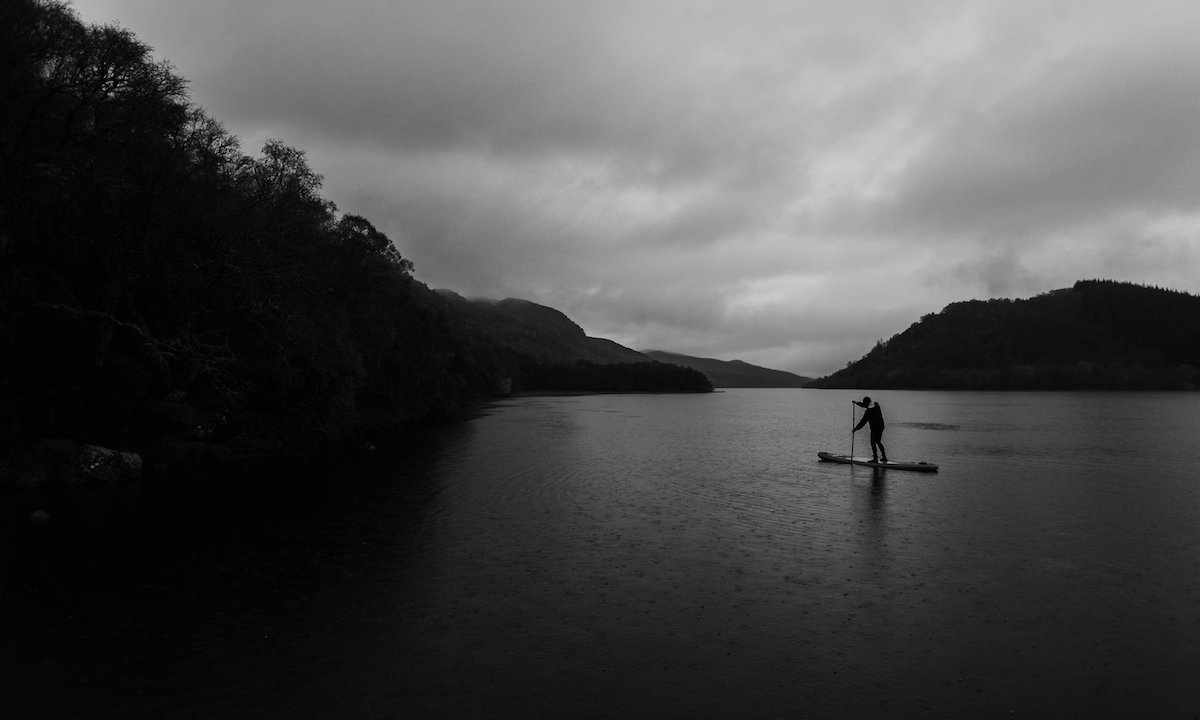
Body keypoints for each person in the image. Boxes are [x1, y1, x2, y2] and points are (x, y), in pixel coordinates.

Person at [853, 396, 888, 463]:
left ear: (867, 403)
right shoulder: (876, 404)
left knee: (873, 442)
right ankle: (884, 457)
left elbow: (862, 422)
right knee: (878, 441)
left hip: (875, 428)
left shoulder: (868, 412)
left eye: (865, 404)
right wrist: (857, 403)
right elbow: (865, 405)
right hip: (881, 426)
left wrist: (855, 429)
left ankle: (875, 459)